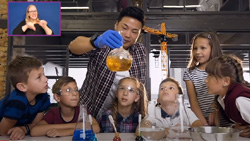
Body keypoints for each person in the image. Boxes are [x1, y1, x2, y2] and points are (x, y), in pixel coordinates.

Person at [68, 6, 146, 119]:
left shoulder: (140, 50)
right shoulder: (103, 43)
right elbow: (73, 48)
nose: (128, 35)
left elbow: (140, 85)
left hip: (121, 117)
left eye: (134, 31)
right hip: (90, 112)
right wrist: (96, 42)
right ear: (116, 25)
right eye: (124, 28)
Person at [30, 76, 100, 137]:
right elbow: (34, 131)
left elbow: (96, 127)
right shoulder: (53, 113)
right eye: (68, 90)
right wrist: (79, 126)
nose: (75, 93)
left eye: (76, 89)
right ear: (57, 97)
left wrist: (64, 132)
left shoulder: (81, 111)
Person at [0, 55, 50, 140]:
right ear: (22, 87)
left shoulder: (43, 97)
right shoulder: (17, 102)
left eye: (44, 74)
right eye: (39, 77)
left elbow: (35, 126)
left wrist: (23, 129)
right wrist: (22, 130)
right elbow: (3, 132)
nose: (46, 79)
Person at [183, 32, 224, 126]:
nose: (198, 52)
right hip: (201, 121)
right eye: (195, 48)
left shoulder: (222, 70)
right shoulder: (189, 73)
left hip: (224, 120)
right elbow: (193, 102)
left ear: (213, 49)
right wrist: (204, 125)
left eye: (203, 48)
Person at [205, 54, 250, 137]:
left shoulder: (239, 100)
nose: (206, 80)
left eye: (210, 76)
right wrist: (236, 129)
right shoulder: (222, 98)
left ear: (226, 81)